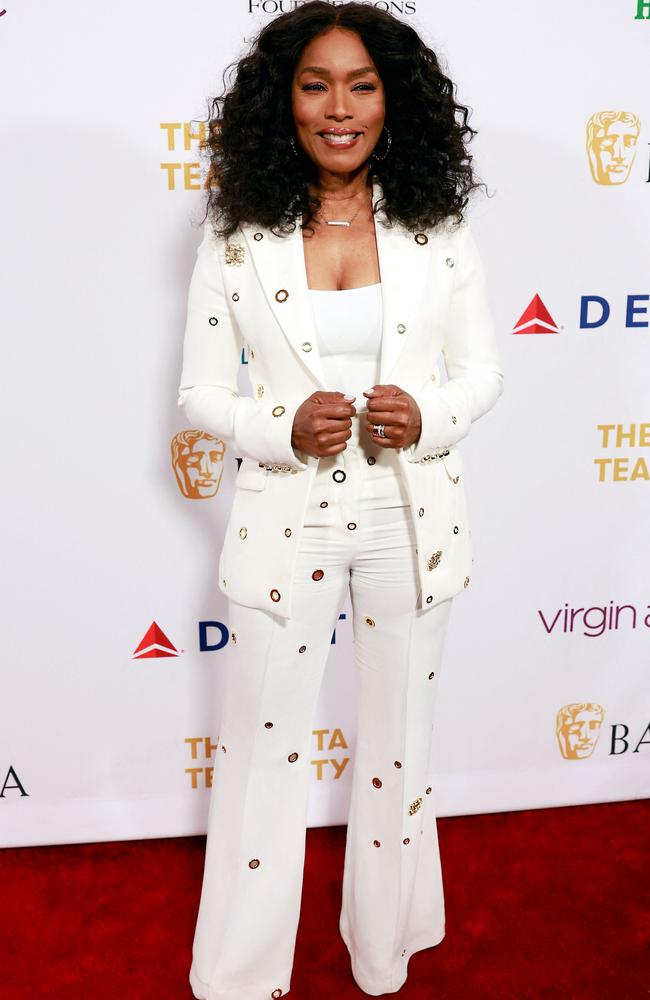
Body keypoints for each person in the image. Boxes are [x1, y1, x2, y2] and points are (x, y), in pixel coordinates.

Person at [176, 2, 504, 997]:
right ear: (285, 101)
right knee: (260, 751)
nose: (338, 107)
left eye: (361, 85)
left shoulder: (435, 228)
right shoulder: (237, 234)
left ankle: (384, 947)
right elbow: (196, 394)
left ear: (390, 100)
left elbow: (481, 371)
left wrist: (429, 412)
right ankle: (237, 974)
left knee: (398, 746)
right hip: (285, 520)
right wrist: (278, 426)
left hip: (408, 523)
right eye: (316, 84)